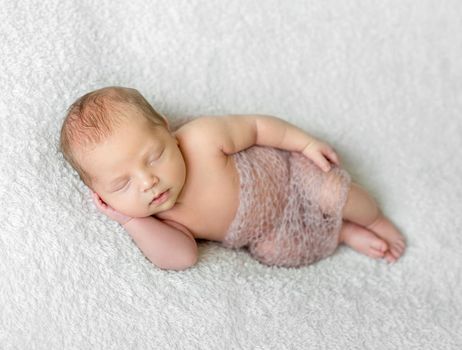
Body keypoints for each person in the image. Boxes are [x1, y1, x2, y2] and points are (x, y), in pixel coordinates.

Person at [59, 86, 406, 270]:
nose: (148, 181)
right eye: (122, 185)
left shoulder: (201, 139)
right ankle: (340, 234)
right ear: (100, 195)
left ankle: (373, 218)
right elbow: (181, 258)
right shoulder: (162, 217)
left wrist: (305, 143)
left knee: (334, 193)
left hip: (288, 177)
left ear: (167, 130)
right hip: (266, 230)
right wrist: (128, 220)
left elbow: (256, 128)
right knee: (278, 251)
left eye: (154, 157)